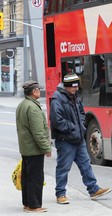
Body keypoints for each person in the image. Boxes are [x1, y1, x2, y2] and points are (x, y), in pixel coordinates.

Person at [49, 73, 111, 204]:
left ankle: (93, 189)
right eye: (73, 87)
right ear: (66, 86)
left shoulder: (74, 96)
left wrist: (81, 127)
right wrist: (72, 128)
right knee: (63, 167)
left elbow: (81, 113)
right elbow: (56, 120)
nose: (76, 89)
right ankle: (60, 194)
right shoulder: (57, 98)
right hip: (66, 140)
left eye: (77, 86)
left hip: (78, 139)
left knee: (85, 165)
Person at [16, 80, 52, 213]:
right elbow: (38, 132)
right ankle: (34, 205)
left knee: (27, 177)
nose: (39, 91)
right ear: (34, 92)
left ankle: (27, 203)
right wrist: (46, 148)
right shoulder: (33, 108)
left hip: (26, 148)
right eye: (38, 89)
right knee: (35, 178)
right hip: (34, 149)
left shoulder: (22, 105)